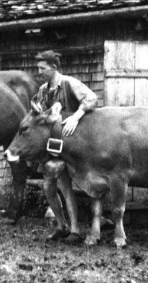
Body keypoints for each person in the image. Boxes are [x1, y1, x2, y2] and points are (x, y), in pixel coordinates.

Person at [33, 50, 98, 243]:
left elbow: (92, 99)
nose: (39, 72)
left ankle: (75, 231)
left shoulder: (69, 83)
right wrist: (37, 109)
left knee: (66, 187)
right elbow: (37, 106)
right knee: (48, 187)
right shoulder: (44, 89)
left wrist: (76, 117)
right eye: (38, 68)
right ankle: (61, 226)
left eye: (43, 68)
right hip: (52, 146)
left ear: (54, 68)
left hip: (72, 145)